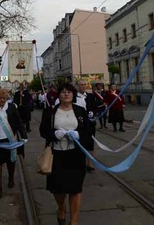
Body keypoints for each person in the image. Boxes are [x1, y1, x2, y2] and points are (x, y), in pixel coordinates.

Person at [39, 83, 91, 225]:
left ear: (73, 95)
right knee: (58, 190)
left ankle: (73, 222)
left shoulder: (80, 111)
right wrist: (55, 133)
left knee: (75, 189)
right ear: (59, 95)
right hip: (57, 155)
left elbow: (88, 132)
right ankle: (61, 208)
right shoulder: (50, 112)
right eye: (63, 92)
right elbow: (43, 131)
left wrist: (78, 134)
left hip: (76, 155)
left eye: (69, 92)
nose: (66, 94)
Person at [0, 88, 27, 199]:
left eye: (4, 98)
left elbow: (19, 122)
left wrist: (24, 136)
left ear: (7, 98)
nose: (2, 100)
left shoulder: (11, 107)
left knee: (11, 162)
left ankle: (11, 179)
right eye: (0, 98)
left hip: (10, 141)